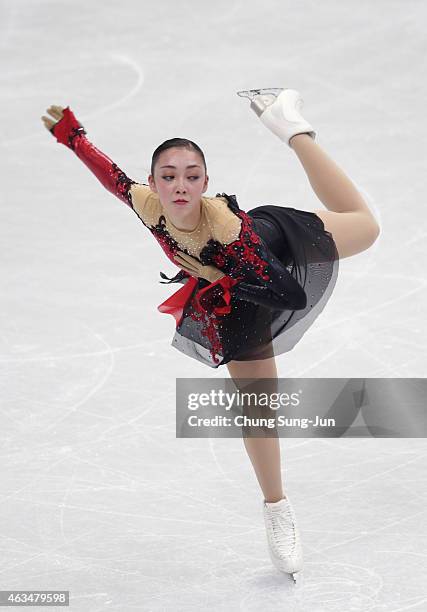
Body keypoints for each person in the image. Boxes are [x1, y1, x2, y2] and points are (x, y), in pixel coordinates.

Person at [41, 90, 380, 582]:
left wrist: (223, 279)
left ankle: (291, 128)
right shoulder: (147, 202)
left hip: (265, 256)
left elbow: (289, 294)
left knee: (368, 229)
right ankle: (277, 509)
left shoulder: (225, 229)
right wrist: (74, 138)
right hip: (231, 289)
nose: (180, 187)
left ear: (206, 182)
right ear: (154, 181)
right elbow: (113, 180)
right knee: (260, 406)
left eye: (192, 177)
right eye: (169, 177)